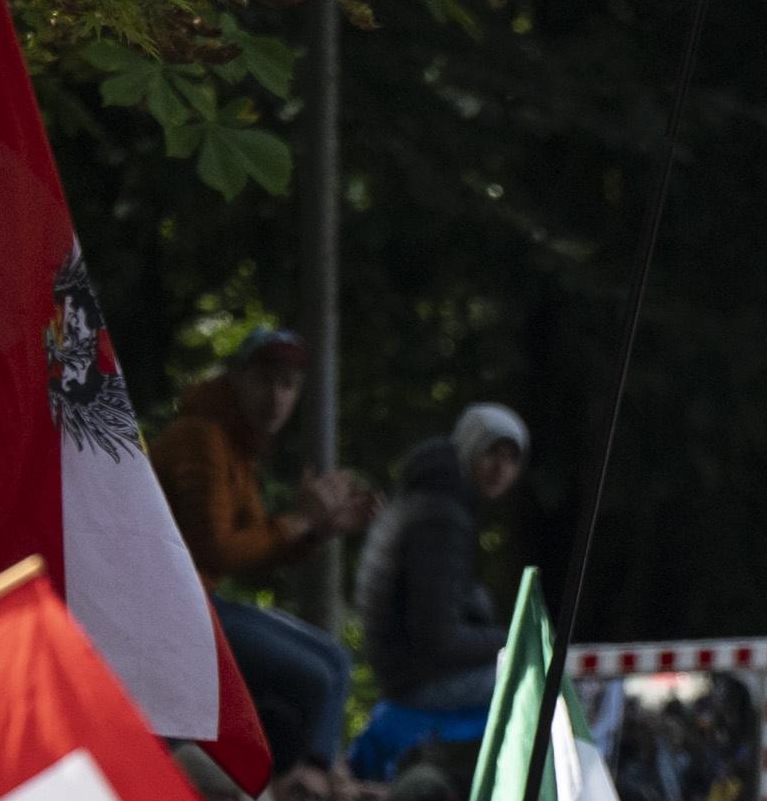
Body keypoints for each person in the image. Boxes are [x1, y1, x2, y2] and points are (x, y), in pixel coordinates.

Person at [154, 333, 367, 778]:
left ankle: (317, 782)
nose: (276, 397)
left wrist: (315, 531)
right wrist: (300, 522)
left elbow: (253, 550)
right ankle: (307, 790)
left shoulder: (238, 444)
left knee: (335, 660)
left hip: (199, 601)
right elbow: (219, 550)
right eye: (265, 380)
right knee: (315, 678)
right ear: (237, 379)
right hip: (170, 609)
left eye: (288, 385)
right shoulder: (201, 437)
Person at [354, 401, 527, 715]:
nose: (501, 468)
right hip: (418, 682)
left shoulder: (431, 496)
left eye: (511, 458)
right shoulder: (441, 517)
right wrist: (513, 641)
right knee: (546, 685)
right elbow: (437, 640)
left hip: (406, 674)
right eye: (492, 452)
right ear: (470, 449)